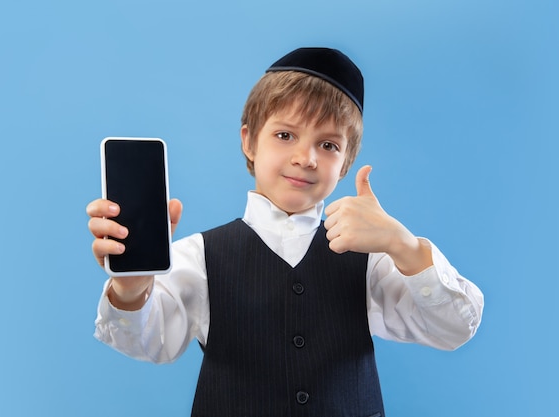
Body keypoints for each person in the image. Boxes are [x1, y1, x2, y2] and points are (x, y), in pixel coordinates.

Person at [86, 47, 484, 417]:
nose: (305, 158)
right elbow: (146, 342)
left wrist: (404, 245)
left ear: (345, 164)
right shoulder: (198, 256)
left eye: (328, 144)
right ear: (249, 141)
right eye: (284, 135)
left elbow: (453, 328)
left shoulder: (373, 258)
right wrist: (132, 289)